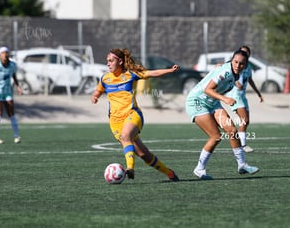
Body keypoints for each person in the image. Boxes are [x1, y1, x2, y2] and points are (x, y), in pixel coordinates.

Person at [91, 48, 180, 181]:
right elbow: (98, 90)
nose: (108, 64)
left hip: (132, 114)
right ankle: (169, 173)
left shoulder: (130, 74)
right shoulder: (105, 78)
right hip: (115, 122)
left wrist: (170, 70)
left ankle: (130, 168)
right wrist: (95, 97)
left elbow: (152, 73)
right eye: (107, 61)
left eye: (111, 61)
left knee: (126, 136)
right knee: (144, 155)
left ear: (120, 61)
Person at [186, 49, 259, 180]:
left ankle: (242, 165)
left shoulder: (235, 75)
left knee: (232, 130)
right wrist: (225, 99)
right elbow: (208, 89)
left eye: (241, 63)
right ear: (232, 60)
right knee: (216, 136)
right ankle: (199, 169)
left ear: (245, 65)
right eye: (235, 62)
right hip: (197, 101)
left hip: (212, 103)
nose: (238, 65)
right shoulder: (225, 71)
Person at [228, 45, 264, 153]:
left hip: (243, 96)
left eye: (246, 52)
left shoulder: (247, 67)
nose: (243, 54)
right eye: (242, 51)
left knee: (246, 121)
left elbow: (250, 80)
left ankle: (239, 143)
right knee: (244, 120)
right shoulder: (233, 65)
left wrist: (258, 93)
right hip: (235, 95)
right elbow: (229, 74)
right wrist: (236, 82)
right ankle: (242, 146)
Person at [0, 46, 23, 144]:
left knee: (11, 113)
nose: (5, 54)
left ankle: (16, 136)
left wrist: (18, 86)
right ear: (0, 55)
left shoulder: (12, 65)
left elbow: (14, 76)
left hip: (7, 92)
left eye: (6, 52)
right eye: (3, 53)